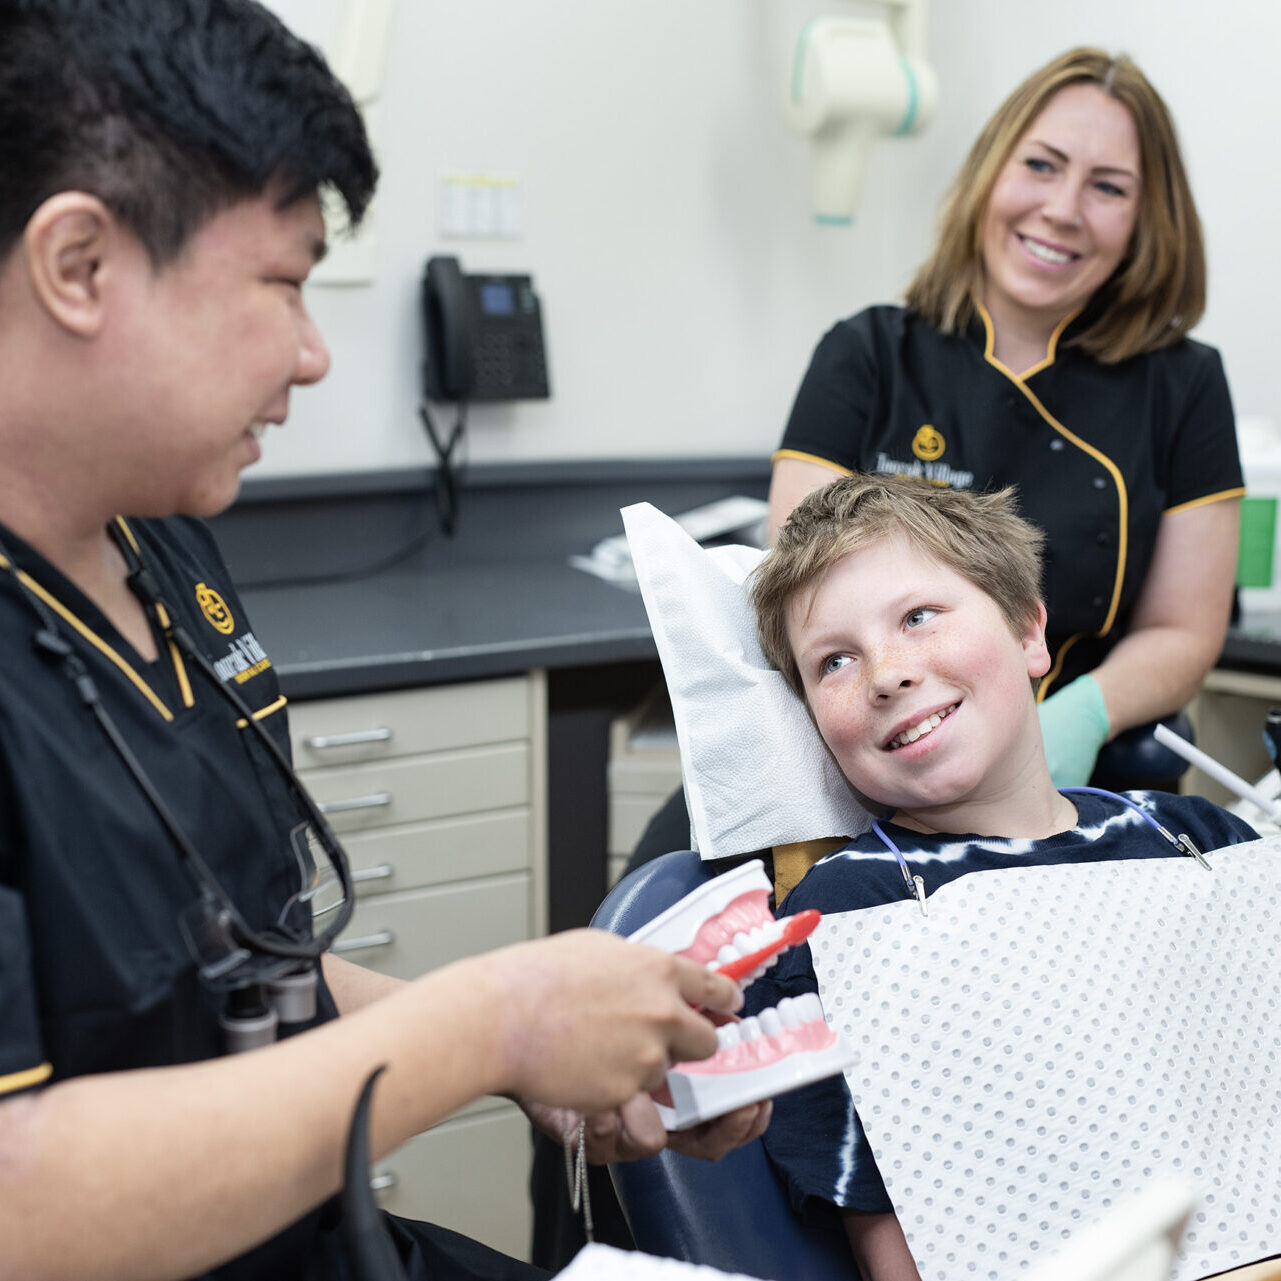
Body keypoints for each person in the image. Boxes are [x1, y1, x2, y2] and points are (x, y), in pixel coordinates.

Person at [0, 4, 770, 1279]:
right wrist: (487, 1026)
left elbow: (241, 980)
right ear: (78, 264)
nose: (311, 357)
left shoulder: (158, 541)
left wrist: (544, 1059)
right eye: (284, 284)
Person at [745, 473, 1258, 1281]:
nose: (885, 672)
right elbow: (906, 1256)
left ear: (1027, 630)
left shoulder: (1198, 841)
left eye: (918, 617)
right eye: (833, 661)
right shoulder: (840, 926)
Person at [769, 47, 1244, 792]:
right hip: (870, 767)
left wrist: (1081, 715)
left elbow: (1183, 629)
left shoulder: (1183, 385)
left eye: (1108, 187)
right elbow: (800, 598)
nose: (1061, 209)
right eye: (1041, 165)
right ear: (990, 170)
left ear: (1145, 222)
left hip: (1074, 782)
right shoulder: (863, 354)